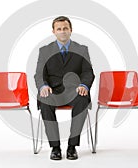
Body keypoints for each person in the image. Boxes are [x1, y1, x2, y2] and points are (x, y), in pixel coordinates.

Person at [34, 16, 95, 160]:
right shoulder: (45, 50)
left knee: (82, 100)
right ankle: (55, 147)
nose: (62, 32)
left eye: (65, 28)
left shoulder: (81, 49)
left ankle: (72, 146)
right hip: (53, 91)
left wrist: (84, 85)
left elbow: (88, 72)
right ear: (54, 31)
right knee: (45, 101)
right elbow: (39, 74)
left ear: (71, 30)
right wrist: (43, 86)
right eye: (59, 29)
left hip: (74, 90)